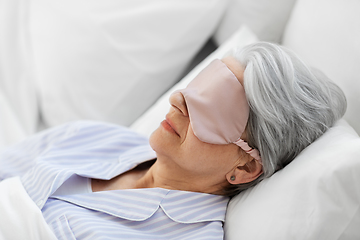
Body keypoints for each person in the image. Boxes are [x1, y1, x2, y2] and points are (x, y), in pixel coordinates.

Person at [0, 42, 346, 239]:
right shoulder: (94, 136)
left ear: (246, 166)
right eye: (197, 86)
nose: (179, 99)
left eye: (212, 108)